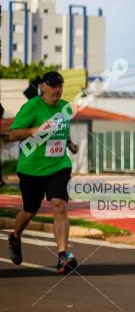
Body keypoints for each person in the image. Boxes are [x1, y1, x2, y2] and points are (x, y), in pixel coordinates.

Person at [7, 71, 80, 274]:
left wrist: (70, 144)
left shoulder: (66, 108)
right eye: (53, 85)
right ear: (43, 87)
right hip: (32, 168)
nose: (57, 89)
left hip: (58, 166)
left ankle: (63, 255)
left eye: (60, 85)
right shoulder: (32, 107)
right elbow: (13, 134)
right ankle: (15, 236)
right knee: (30, 210)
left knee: (59, 204)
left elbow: (61, 130)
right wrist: (34, 130)